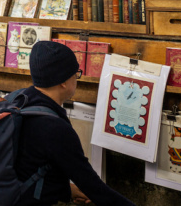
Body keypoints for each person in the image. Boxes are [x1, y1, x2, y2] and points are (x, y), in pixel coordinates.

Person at [14, 41, 135, 206]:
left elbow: (29, 167)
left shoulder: (19, 99)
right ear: (63, 82)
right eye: (75, 74)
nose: (77, 79)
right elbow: (93, 186)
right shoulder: (55, 129)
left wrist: (66, 190)